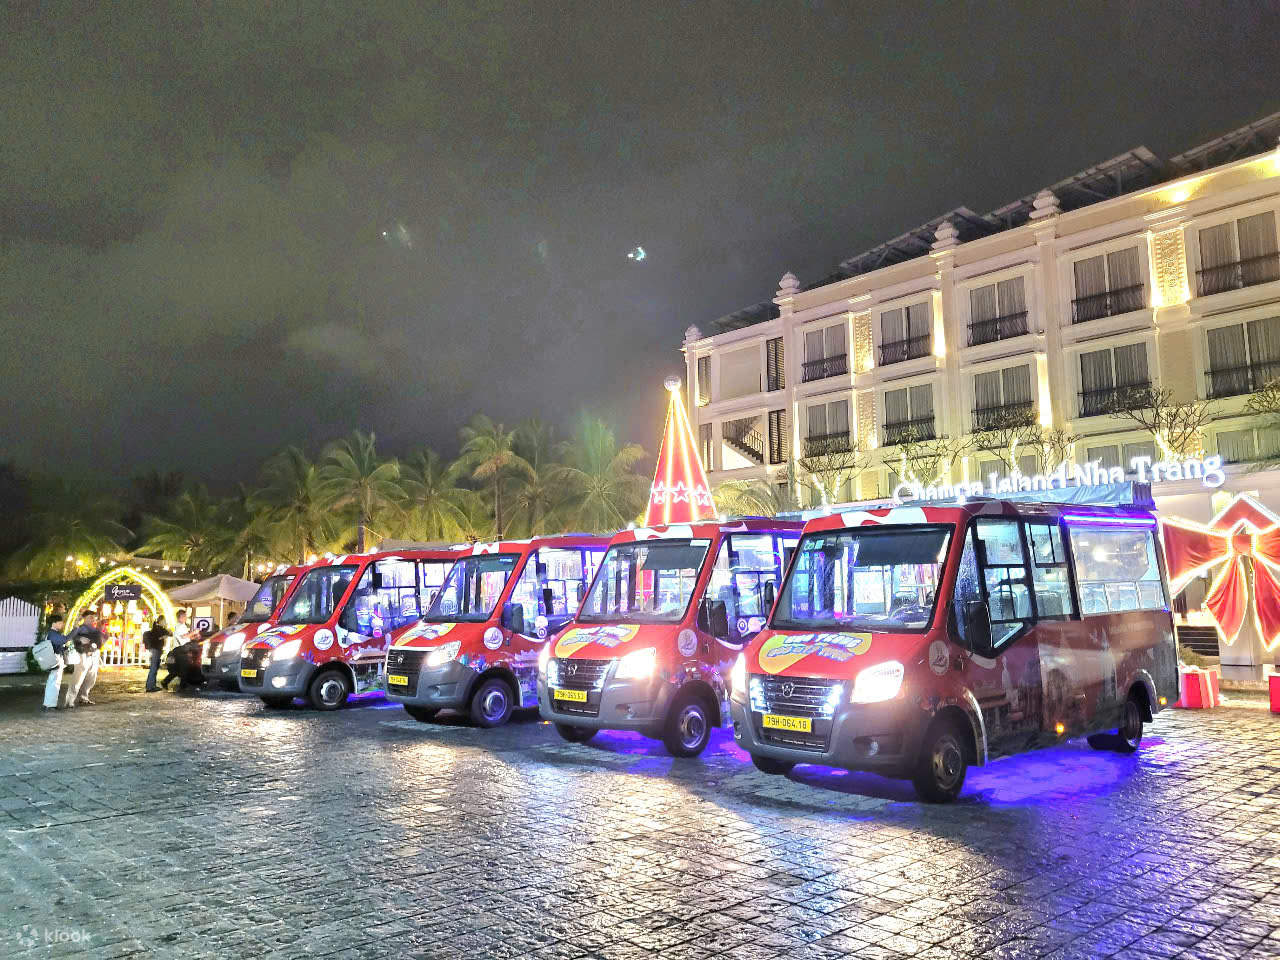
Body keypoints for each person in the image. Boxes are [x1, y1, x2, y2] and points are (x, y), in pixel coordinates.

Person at [63, 612, 104, 708]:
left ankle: (84, 697)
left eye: (94, 618)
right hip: (82, 654)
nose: (93, 619)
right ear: (84, 618)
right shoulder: (80, 629)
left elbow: (99, 642)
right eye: (90, 617)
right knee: (77, 678)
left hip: (94, 654)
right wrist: (80, 640)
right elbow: (73, 639)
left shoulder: (95, 629)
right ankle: (69, 701)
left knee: (91, 678)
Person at [41, 615, 70, 712]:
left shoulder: (51, 633)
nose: (62, 624)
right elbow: (64, 640)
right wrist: (74, 631)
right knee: (54, 682)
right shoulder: (53, 634)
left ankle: (49, 704)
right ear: (54, 623)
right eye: (60, 623)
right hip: (55, 659)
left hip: (54, 659)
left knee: (53, 681)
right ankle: (50, 705)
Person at [144, 616, 171, 692]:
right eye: (164, 621)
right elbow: (157, 638)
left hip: (157, 649)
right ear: (161, 621)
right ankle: (150, 686)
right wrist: (162, 637)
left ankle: (152, 685)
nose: (165, 622)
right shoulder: (157, 628)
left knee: (155, 668)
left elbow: (169, 633)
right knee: (153, 668)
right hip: (155, 650)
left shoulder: (159, 628)